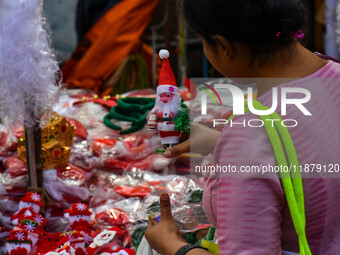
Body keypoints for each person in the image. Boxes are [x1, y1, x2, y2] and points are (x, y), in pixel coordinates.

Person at [145, 0, 340, 254]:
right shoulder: (333, 74)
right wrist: (220, 140)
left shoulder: (250, 135)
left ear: (223, 46)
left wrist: (172, 245)